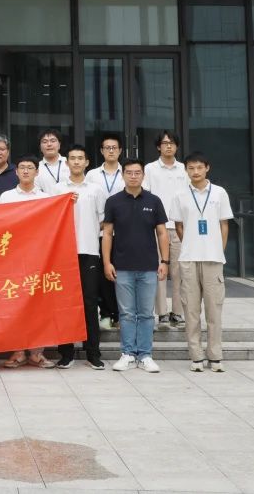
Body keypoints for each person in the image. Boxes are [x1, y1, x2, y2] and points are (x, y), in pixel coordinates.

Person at [102, 159, 170, 374]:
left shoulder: (154, 201)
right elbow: (107, 234)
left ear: (143, 175)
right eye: (129, 172)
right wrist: (106, 262)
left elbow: (162, 233)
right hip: (122, 266)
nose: (133, 176)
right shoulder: (113, 201)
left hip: (149, 266)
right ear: (123, 175)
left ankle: (145, 355)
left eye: (137, 172)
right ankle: (128, 354)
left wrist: (165, 261)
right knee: (127, 313)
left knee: (147, 313)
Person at [169, 152, 233, 373]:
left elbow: (224, 225)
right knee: (191, 310)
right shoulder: (180, 195)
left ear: (207, 168)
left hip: (213, 259)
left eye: (199, 167)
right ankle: (196, 356)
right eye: (191, 168)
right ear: (186, 170)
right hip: (188, 258)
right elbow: (178, 226)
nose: (195, 172)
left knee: (214, 310)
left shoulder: (219, 193)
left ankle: (215, 356)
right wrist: (190, 243)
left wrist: (218, 250)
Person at [53, 144, 106, 370]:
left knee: (89, 302)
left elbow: (103, 220)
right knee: (64, 303)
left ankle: (93, 353)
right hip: (63, 254)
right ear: (66, 163)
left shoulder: (95, 189)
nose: (76, 162)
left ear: (86, 163)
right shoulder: (58, 189)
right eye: (72, 158)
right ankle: (66, 353)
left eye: (80, 158)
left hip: (89, 251)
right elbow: (50, 218)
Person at [0, 155, 50, 368]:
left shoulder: (46, 198)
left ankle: (37, 352)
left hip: (40, 258)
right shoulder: (6, 197)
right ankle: (18, 352)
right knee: (15, 305)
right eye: (22, 167)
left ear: (37, 172)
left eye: (30, 168)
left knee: (39, 306)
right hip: (14, 257)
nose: (26, 171)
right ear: (16, 171)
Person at [143, 131, 189, 328]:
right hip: (157, 227)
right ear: (158, 147)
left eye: (172, 143)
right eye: (164, 143)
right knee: (159, 270)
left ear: (177, 146)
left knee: (180, 272)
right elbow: (145, 194)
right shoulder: (150, 169)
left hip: (179, 226)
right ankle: (162, 312)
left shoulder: (184, 169)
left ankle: (177, 312)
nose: (168, 146)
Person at [86, 133, 125, 331]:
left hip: (123, 233)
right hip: (100, 233)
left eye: (114, 147)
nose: (111, 151)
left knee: (122, 274)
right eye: (107, 148)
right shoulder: (92, 175)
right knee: (103, 275)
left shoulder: (127, 172)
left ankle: (121, 314)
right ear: (101, 151)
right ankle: (107, 313)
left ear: (120, 150)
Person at [34, 128, 68, 194]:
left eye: (53, 141)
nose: (49, 144)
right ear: (40, 147)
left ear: (59, 145)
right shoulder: (36, 168)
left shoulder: (70, 163)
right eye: (45, 142)